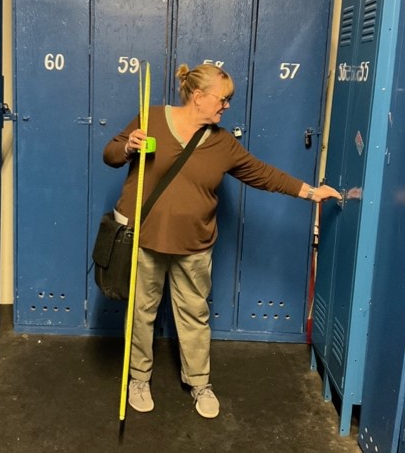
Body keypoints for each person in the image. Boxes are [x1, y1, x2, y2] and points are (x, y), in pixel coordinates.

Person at [103, 62, 341, 419]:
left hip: (195, 245)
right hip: (146, 239)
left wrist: (311, 192)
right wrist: (128, 147)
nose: (227, 105)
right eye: (223, 98)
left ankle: (199, 382)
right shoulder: (150, 117)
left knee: (194, 316)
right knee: (141, 314)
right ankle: (139, 378)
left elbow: (262, 174)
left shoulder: (222, 143)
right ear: (198, 97)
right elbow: (111, 154)